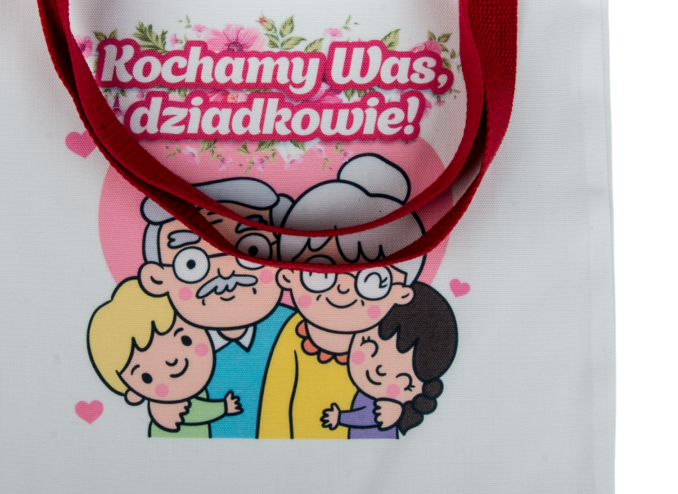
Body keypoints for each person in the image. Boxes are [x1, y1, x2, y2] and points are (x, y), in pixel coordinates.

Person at [257, 155, 426, 439]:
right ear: (288, 276)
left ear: (401, 292)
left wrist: (395, 411)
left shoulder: (386, 346)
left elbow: (394, 404)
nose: (344, 288)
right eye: (320, 272)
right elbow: (276, 399)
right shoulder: (291, 335)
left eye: (372, 281)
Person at [138, 178, 293, 438]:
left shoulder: (295, 333)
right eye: (191, 263)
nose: (225, 270)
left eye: (252, 249)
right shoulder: (172, 352)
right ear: (158, 278)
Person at [87, 278, 241, 438]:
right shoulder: (165, 408)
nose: (173, 361)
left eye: (185, 340)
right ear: (133, 394)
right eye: (147, 377)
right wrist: (224, 407)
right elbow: (194, 412)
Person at [321, 282, 458, 438]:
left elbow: (367, 417)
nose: (379, 370)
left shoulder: (389, 406)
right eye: (368, 345)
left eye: (401, 376)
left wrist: (340, 417)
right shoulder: (367, 393)